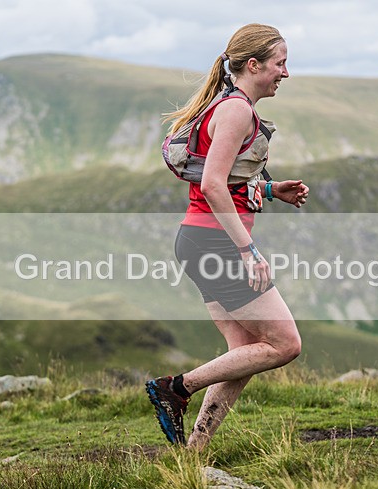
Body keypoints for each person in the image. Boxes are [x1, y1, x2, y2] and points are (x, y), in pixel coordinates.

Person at [146, 23, 309, 449]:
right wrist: (248, 250)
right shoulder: (236, 111)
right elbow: (214, 186)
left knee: (244, 353)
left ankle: (193, 454)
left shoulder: (229, 106)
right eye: (280, 64)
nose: (285, 73)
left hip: (199, 239)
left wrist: (273, 190)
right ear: (253, 65)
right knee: (285, 343)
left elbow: (225, 180)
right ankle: (176, 388)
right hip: (215, 243)